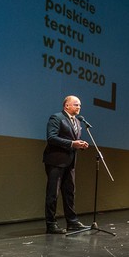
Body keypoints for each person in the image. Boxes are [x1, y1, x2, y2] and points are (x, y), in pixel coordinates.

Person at [42, 95, 89, 234]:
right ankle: (51, 224)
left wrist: (79, 144)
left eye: (80, 105)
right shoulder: (56, 118)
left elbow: (73, 139)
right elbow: (51, 138)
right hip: (56, 161)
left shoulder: (78, 121)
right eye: (76, 104)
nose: (79, 107)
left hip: (70, 162)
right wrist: (71, 144)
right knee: (53, 193)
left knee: (69, 192)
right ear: (66, 105)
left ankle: (72, 222)